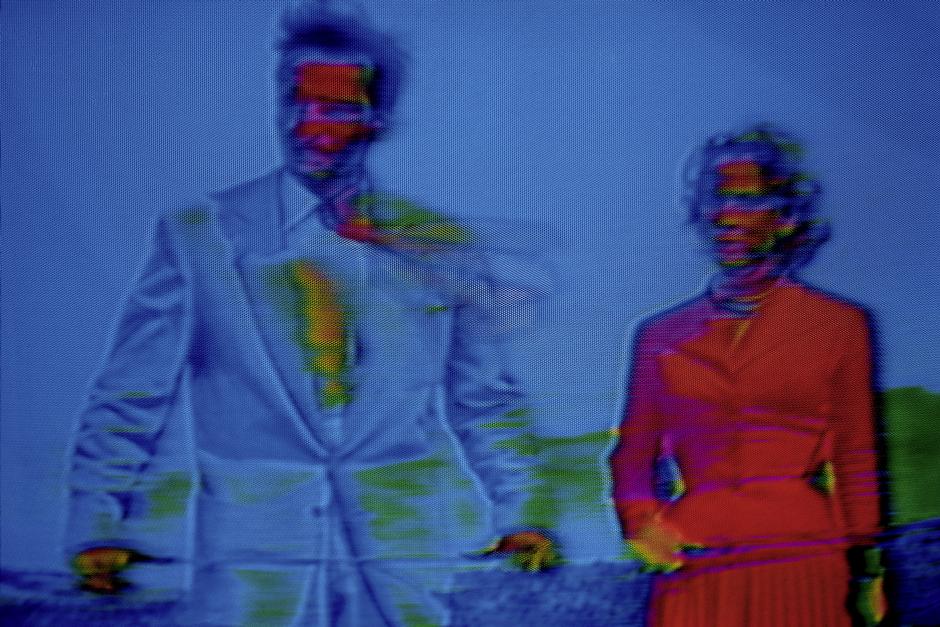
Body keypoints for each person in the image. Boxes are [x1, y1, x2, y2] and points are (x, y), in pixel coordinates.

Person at [66, 4, 554, 625]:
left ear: (378, 120)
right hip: (252, 576)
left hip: (400, 571)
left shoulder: (434, 244)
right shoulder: (199, 237)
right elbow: (131, 393)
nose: (309, 125)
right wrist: (96, 520)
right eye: (298, 102)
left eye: (337, 108)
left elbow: (484, 398)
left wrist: (521, 511)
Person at [609, 127, 888, 626]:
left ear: (786, 217)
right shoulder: (659, 336)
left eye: (747, 199)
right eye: (715, 199)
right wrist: (641, 522)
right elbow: (632, 455)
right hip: (696, 559)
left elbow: (856, 458)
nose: (725, 215)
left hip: (801, 557)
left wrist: (868, 570)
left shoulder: (839, 325)